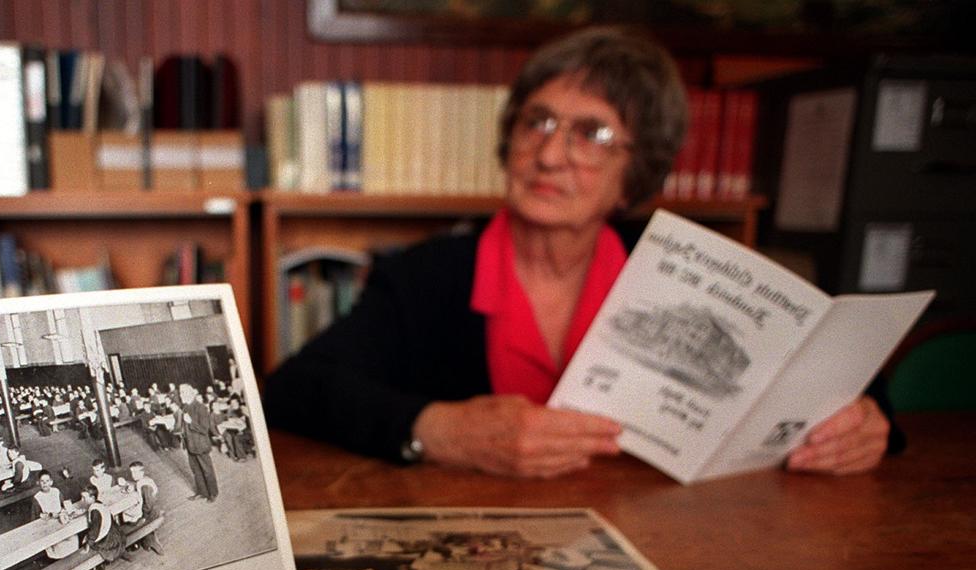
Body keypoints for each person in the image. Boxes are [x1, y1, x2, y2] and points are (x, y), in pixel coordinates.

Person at [264, 25, 900, 479]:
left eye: (591, 134)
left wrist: (868, 426)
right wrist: (437, 429)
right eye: (536, 121)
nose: (549, 153)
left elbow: (833, 384)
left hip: (664, 540)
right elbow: (294, 389)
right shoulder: (427, 275)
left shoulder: (692, 275)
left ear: (637, 169)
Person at [79, 485, 126, 566]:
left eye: (84, 498)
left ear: (92, 497)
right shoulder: (99, 503)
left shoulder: (94, 511)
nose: (82, 500)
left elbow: (94, 532)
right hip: (113, 531)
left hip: (107, 538)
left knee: (86, 539)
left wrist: (87, 546)